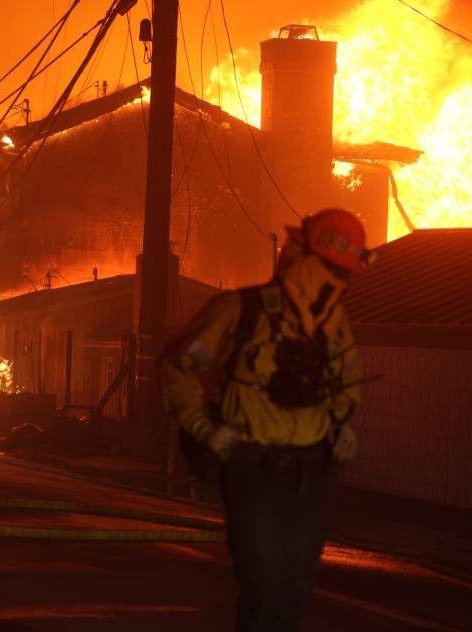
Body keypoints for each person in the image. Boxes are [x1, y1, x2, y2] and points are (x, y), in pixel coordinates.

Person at [159, 208, 372, 632]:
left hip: (310, 473)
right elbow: (180, 364)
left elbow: (348, 386)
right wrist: (202, 427)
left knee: (296, 591)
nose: (334, 281)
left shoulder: (334, 327)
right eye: (330, 269)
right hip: (252, 468)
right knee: (264, 589)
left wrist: (340, 423)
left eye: (341, 273)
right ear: (306, 258)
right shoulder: (240, 312)